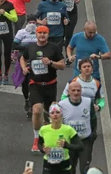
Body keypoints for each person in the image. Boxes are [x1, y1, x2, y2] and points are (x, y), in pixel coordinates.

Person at [21, 25, 66, 153]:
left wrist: (51, 62)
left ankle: (46, 139)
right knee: (36, 110)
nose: (42, 35)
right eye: (40, 33)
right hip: (35, 84)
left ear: (47, 34)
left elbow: (62, 65)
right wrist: (24, 67)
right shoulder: (30, 47)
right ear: (36, 34)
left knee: (48, 116)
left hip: (50, 84)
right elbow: (22, 58)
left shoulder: (54, 48)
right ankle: (36, 139)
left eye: (44, 33)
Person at [58, 81, 96, 174]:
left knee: (85, 168)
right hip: (70, 142)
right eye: (73, 90)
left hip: (85, 141)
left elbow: (93, 118)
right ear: (69, 92)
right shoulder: (62, 105)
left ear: (81, 91)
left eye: (78, 90)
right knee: (70, 169)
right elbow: (58, 123)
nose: (76, 93)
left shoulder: (88, 102)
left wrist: (93, 134)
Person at [38, 103, 83, 174]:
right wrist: (43, 149)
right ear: (49, 115)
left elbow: (80, 146)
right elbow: (39, 144)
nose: (55, 114)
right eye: (52, 113)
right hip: (48, 167)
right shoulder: (43, 130)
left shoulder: (69, 130)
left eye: (58, 112)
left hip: (64, 167)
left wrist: (67, 145)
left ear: (61, 114)